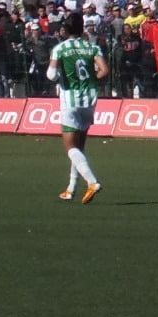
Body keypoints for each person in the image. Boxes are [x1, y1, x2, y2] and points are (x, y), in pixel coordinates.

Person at [49, 11, 107, 204]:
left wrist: (58, 75)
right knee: (79, 147)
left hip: (70, 101)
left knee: (70, 148)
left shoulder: (60, 48)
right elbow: (105, 70)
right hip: (90, 100)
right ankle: (71, 188)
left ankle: (92, 182)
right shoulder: (92, 47)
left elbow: (51, 75)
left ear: (66, 29)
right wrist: (92, 79)